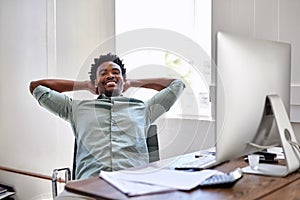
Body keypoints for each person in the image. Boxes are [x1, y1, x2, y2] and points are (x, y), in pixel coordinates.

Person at [30, 53, 185, 199]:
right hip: (88, 188)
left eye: (115, 72)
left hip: (134, 187)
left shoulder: (145, 109)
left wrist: (132, 82)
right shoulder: (75, 109)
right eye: (103, 73)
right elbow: (36, 87)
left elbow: (177, 85)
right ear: (96, 82)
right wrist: (84, 85)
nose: (110, 75)